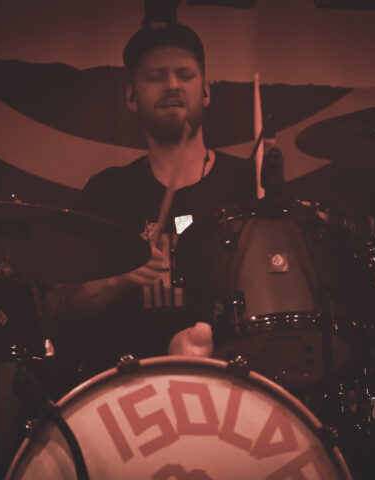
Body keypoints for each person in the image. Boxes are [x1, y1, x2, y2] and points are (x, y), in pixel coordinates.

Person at [45, 21, 255, 373]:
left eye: (185, 74)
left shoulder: (249, 184)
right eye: (156, 76)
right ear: (131, 96)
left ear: (205, 91)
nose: (172, 85)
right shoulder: (107, 192)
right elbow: (56, 309)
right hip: (129, 389)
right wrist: (118, 279)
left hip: (235, 385)